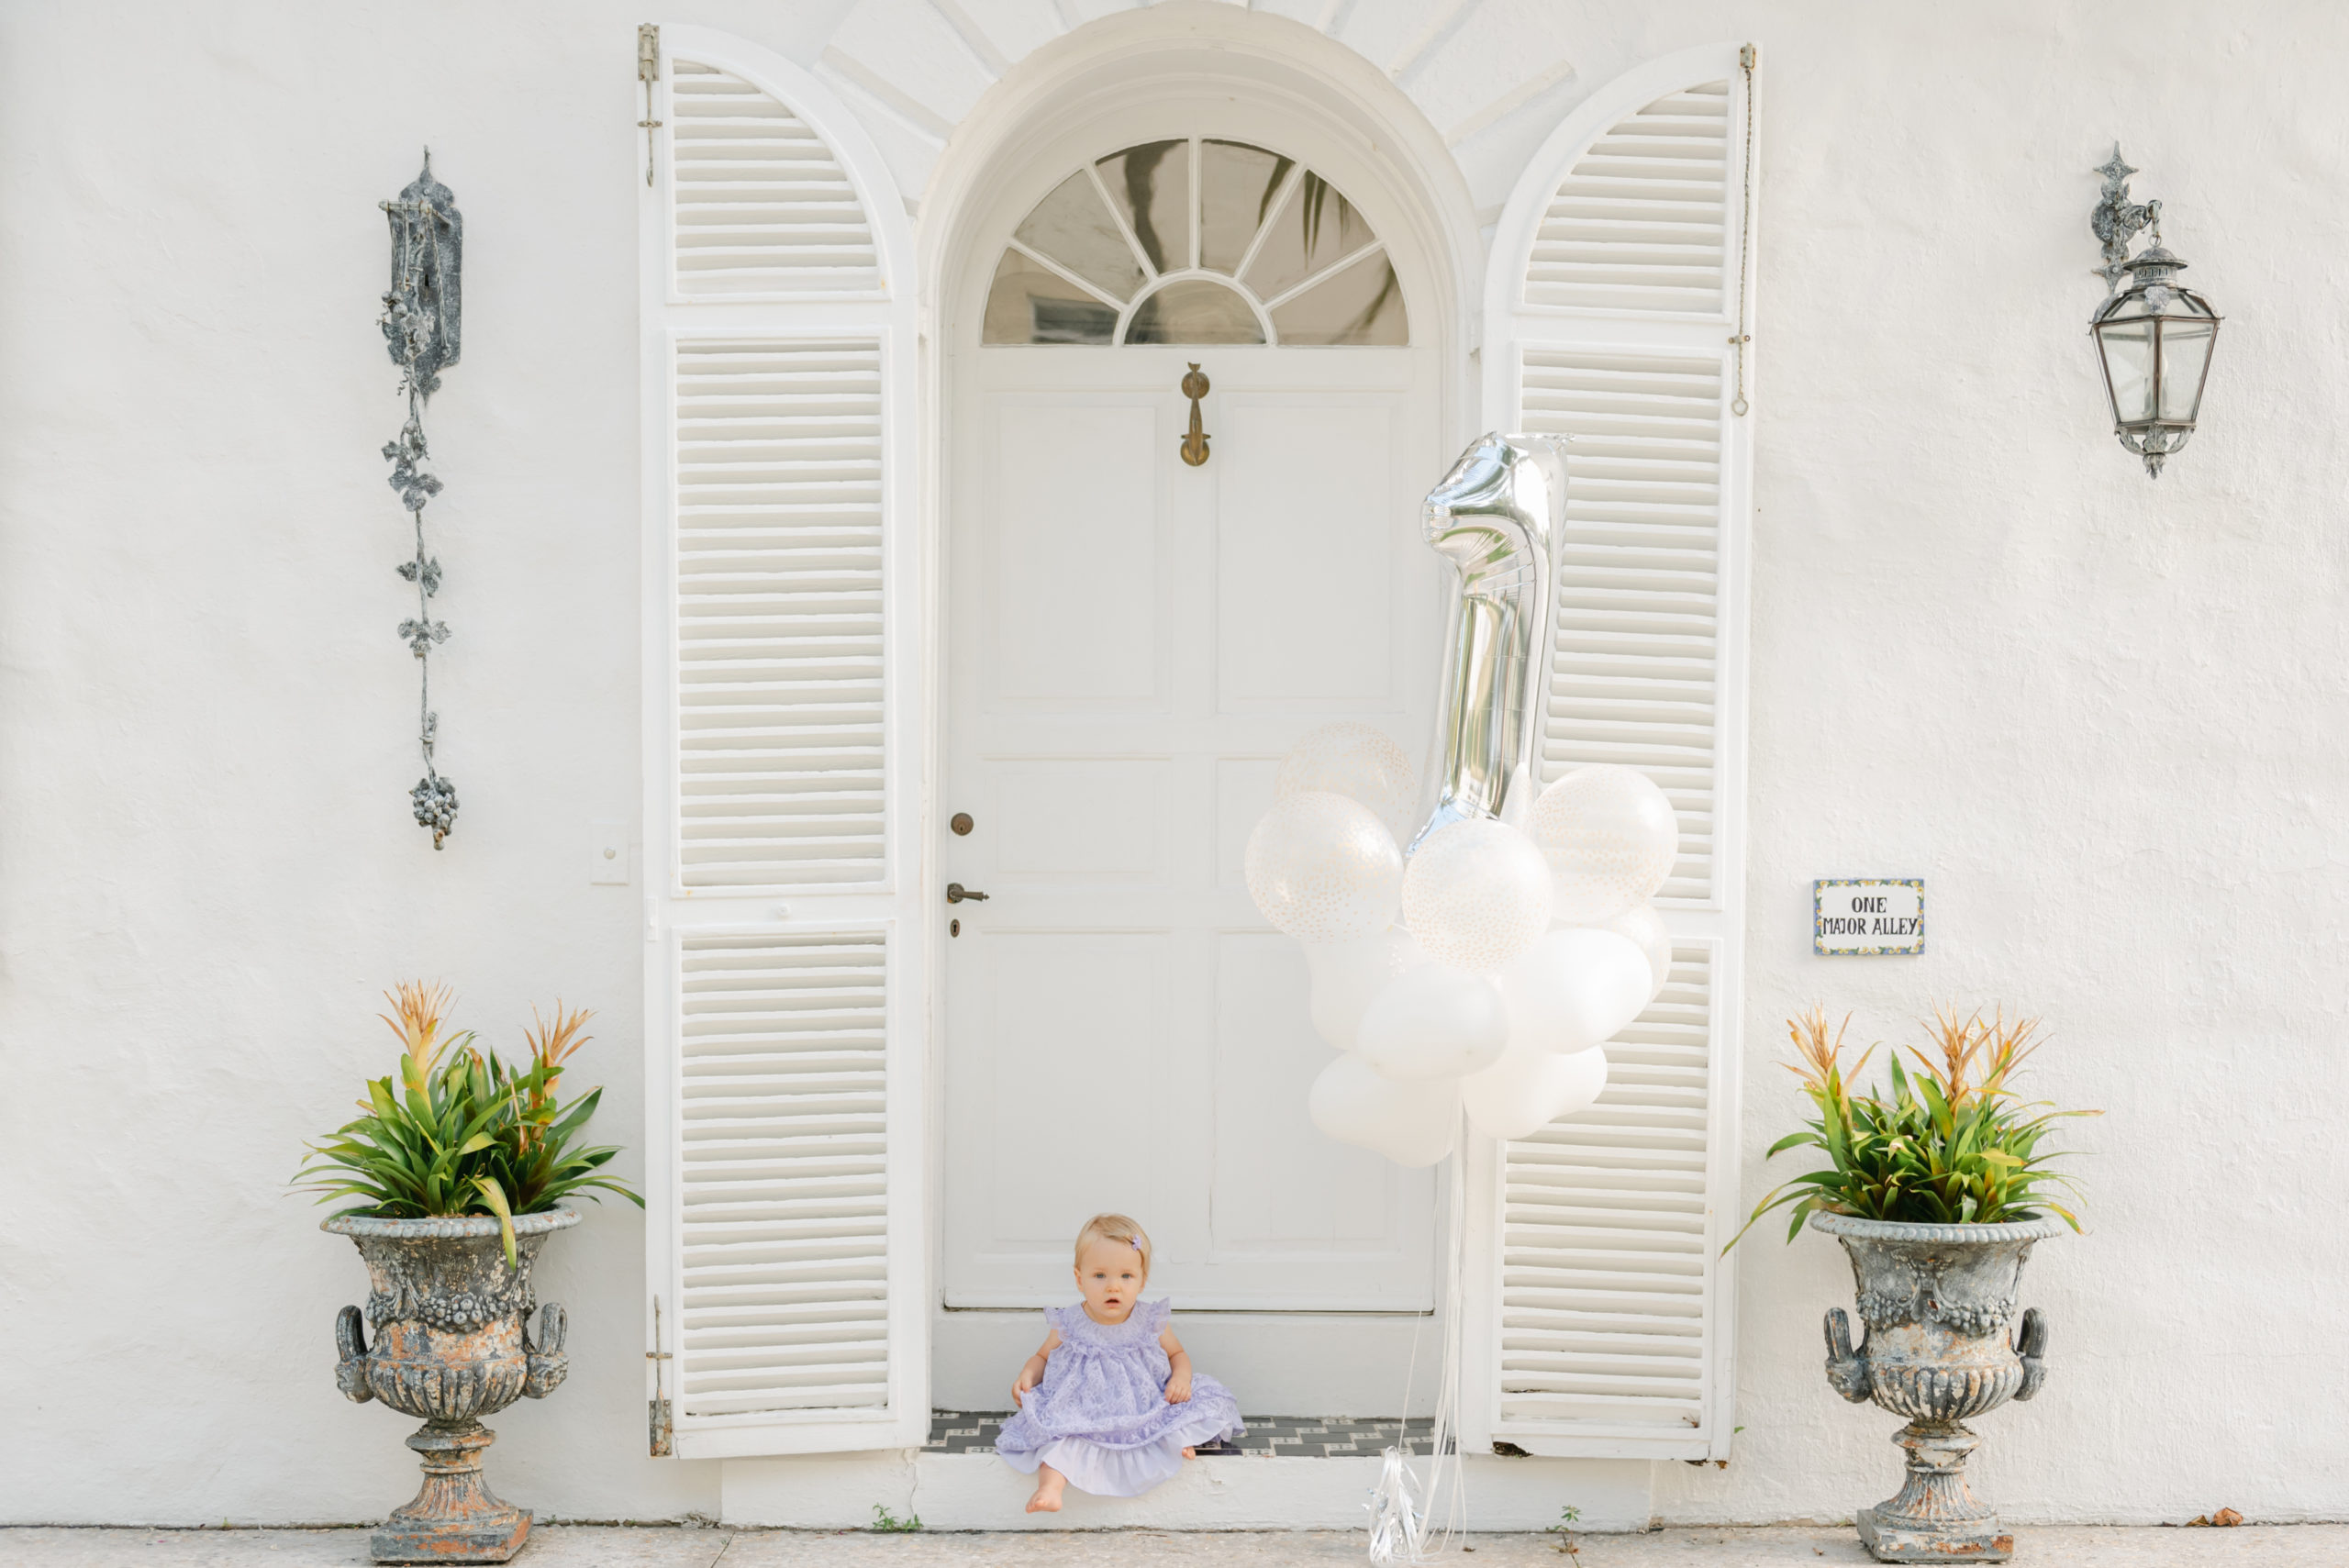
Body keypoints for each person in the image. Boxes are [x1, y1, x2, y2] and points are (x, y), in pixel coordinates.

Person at [995, 1212, 1244, 1512]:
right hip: (1082, 1409)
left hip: (1145, 1405)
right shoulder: (1070, 1321)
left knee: (1175, 1418)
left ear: (1141, 1281)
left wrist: (1181, 1378)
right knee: (1061, 1439)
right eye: (1100, 1276)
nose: (1113, 1286)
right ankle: (1050, 1489)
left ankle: (1177, 1444)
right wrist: (1028, 1375)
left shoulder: (1151, 1320)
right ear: (1079, 1279)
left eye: (1126, 1276)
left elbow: (1178, 1354)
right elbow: (1042, 1356)